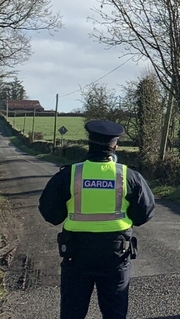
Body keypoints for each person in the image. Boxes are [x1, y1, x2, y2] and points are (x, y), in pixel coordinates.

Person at [39, 120, 155, 319]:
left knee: (72, 313)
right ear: (115, 146)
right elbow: (145, 213)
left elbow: (50, 213)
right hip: (115, 255)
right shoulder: (128, 176)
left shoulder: (70, 174)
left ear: (89, 143)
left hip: (76, 253)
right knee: (115, 314)